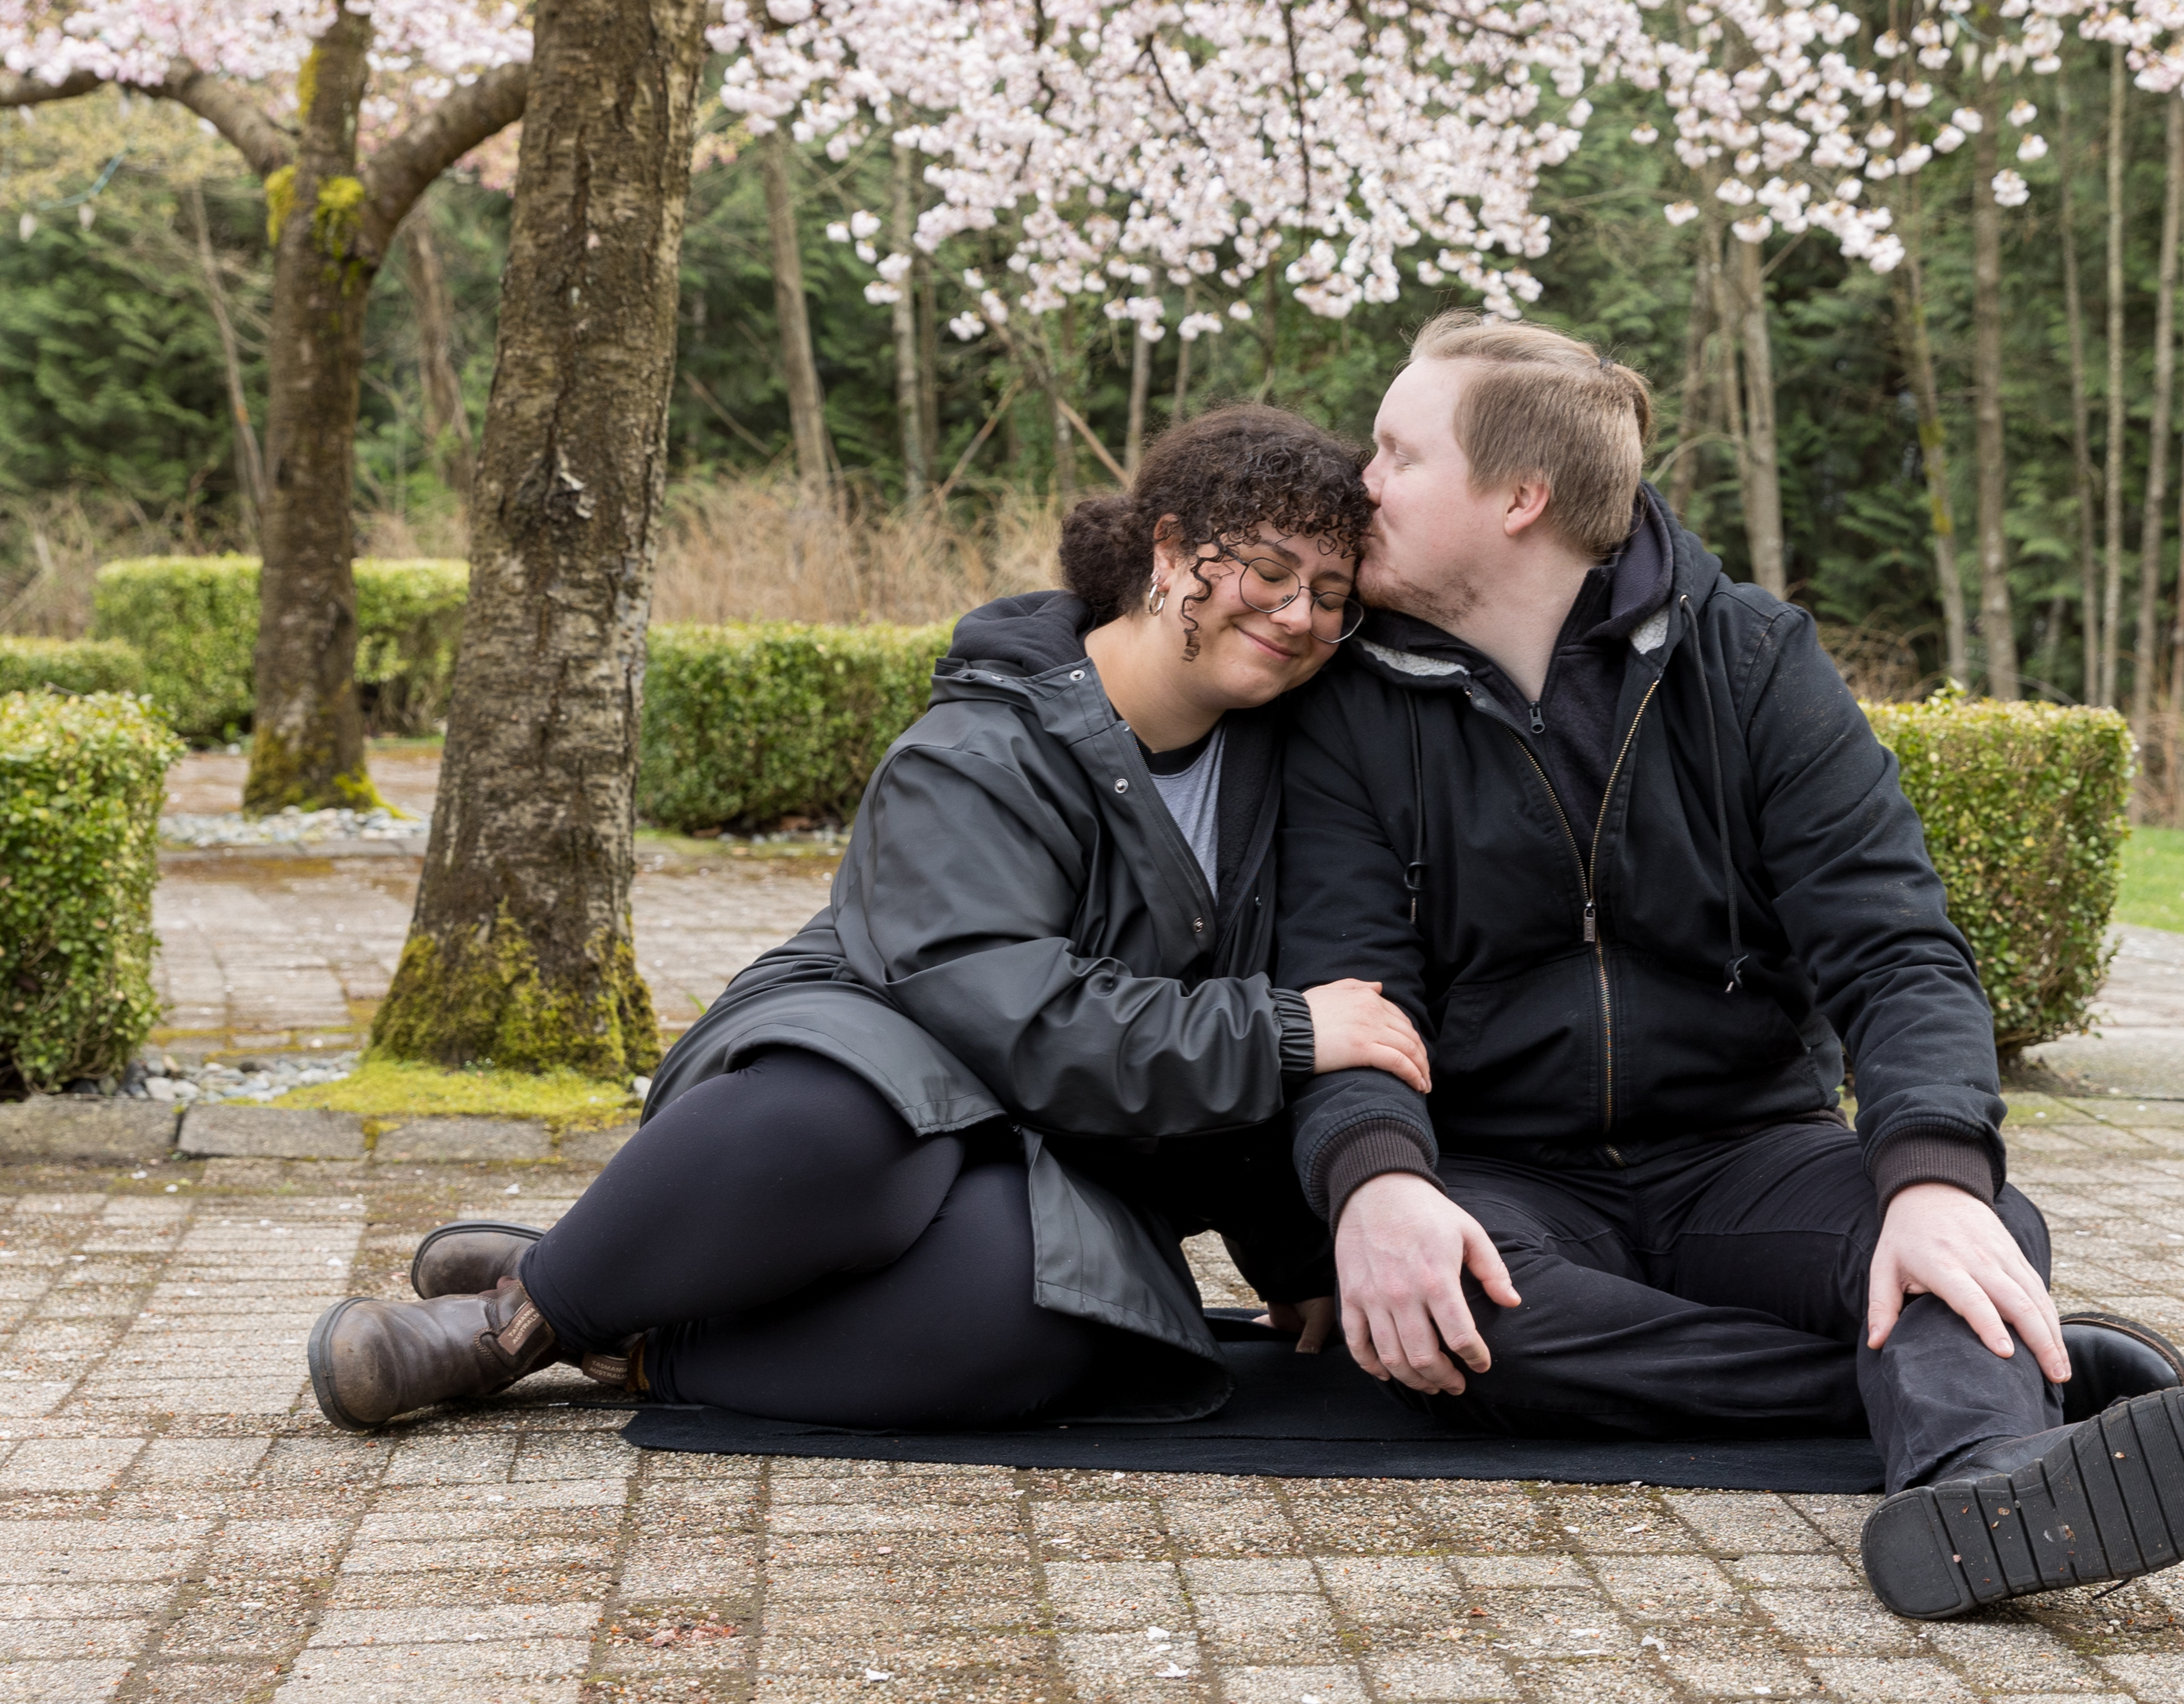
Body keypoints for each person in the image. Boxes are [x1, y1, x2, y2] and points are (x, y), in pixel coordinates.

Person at [1275, 313, 2184, 1617]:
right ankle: (1997, 1386)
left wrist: (1933, 1177)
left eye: (1395, 453)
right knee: (1457, 1324)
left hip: (1742, 1154)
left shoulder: (1755, 663)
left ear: (1519, 497)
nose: (1358, 480)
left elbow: (1898, 946)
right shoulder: (1347, 708)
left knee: (1972, 1231)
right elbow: (1342, 988)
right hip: (1506, 1172)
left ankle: (1986, 1479)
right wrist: (1374, 1183)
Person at [307, 405, 1435, 1433]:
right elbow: (1003, 1011)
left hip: (1051, 1149)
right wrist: (1280, 1030)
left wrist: (1296, 1245)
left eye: (1332, 594)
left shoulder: (1294, 771)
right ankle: (511, 1325)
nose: (1298, 614)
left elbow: (1261, 986)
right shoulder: (977, 749)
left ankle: (639, 1331)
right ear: (1171, 547)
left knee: (1040, 1323)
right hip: (850, 1077)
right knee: (851, 1117)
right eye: (1268, 571)